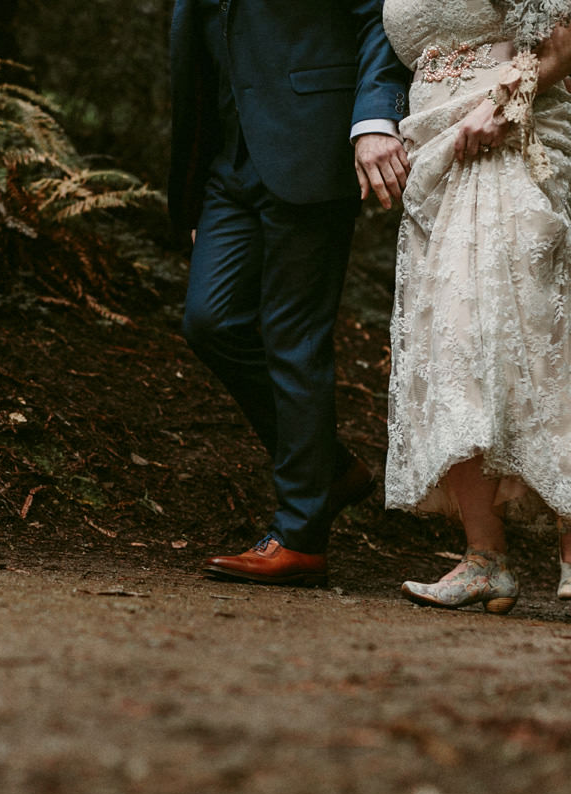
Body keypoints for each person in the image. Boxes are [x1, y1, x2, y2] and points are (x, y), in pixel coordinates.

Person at [379, 0, 571, 613]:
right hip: (435, 140)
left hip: (513, 132)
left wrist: (507, 101)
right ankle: (484, 558)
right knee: (450, 337)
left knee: (530, 318)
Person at [169, 0, 413, 588]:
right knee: (210, 321)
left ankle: (301, 537)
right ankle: (327, 470)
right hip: (228, 169)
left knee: (294, 339)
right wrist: (194, 181)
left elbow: (380, 21)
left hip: (312, 145)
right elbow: (199, 64)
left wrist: (376, 117)